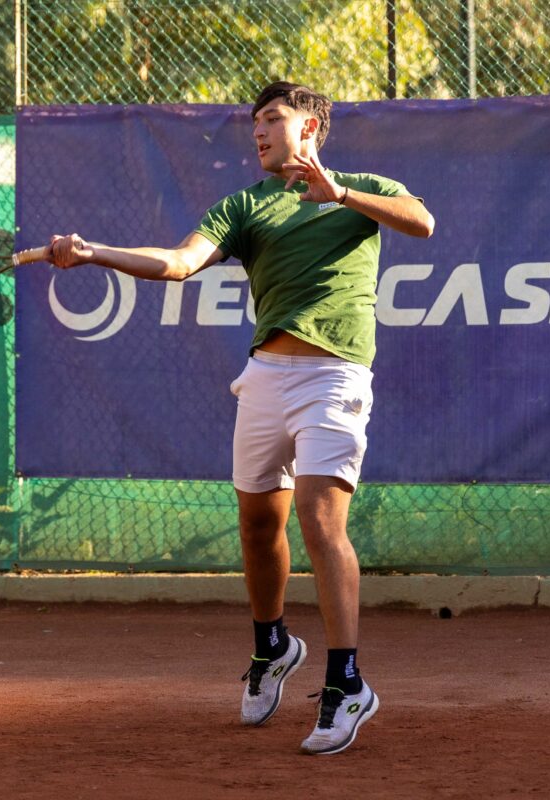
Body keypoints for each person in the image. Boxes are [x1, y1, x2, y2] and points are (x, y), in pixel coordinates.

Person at [46, 81, 434, 755]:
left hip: (335, 377)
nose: (257, 131)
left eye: (272, 119)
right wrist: (93, 252)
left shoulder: (366, 189)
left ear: (310, 127)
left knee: (319, 518)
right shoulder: (244, 205)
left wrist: (340, 194)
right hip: (264, 379)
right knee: (258, 527)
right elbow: (178, 263)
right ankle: (272, 646)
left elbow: (422, 222)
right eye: (254, 122)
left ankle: (346, 683)